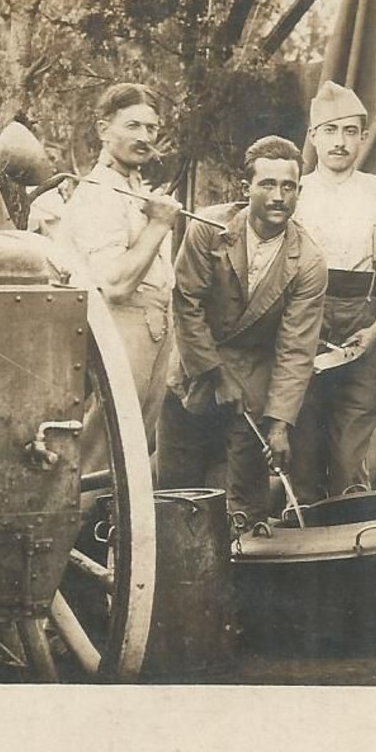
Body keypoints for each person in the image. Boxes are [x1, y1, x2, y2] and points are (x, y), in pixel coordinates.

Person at [158, 136, 327, 523]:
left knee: (245, 507)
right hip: (193, 374)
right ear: (245, 187)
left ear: (299, 191)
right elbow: (187, 305)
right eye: (267, 184)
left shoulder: (309, 262)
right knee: (174, 500)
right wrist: (215, 375)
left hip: (253, 389)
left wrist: (280, 423)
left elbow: (296, 349)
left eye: (288, 186)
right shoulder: (207, 229)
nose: (278, 196)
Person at [37, 83, 184, 474]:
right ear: (104, 129)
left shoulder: (133, 189)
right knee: (104, 448)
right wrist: (158, 225)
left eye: (151, 128)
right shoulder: (97, 194)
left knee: (135, 447)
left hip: (152, 332)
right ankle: (81, 530)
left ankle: (111, 532)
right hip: (119, 330)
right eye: (132, 125)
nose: (144, 137)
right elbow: (116, 284)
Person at [288, 81, 376, 503]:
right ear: (312, 136)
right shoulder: (295, 193)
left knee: (350, 452)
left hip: (364, 322)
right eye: (329, 130)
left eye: (349, 131)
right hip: (302, 320)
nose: (340, 142)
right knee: (300, 443)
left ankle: (346, 551)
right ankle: (302, 554)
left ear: (362, 136)